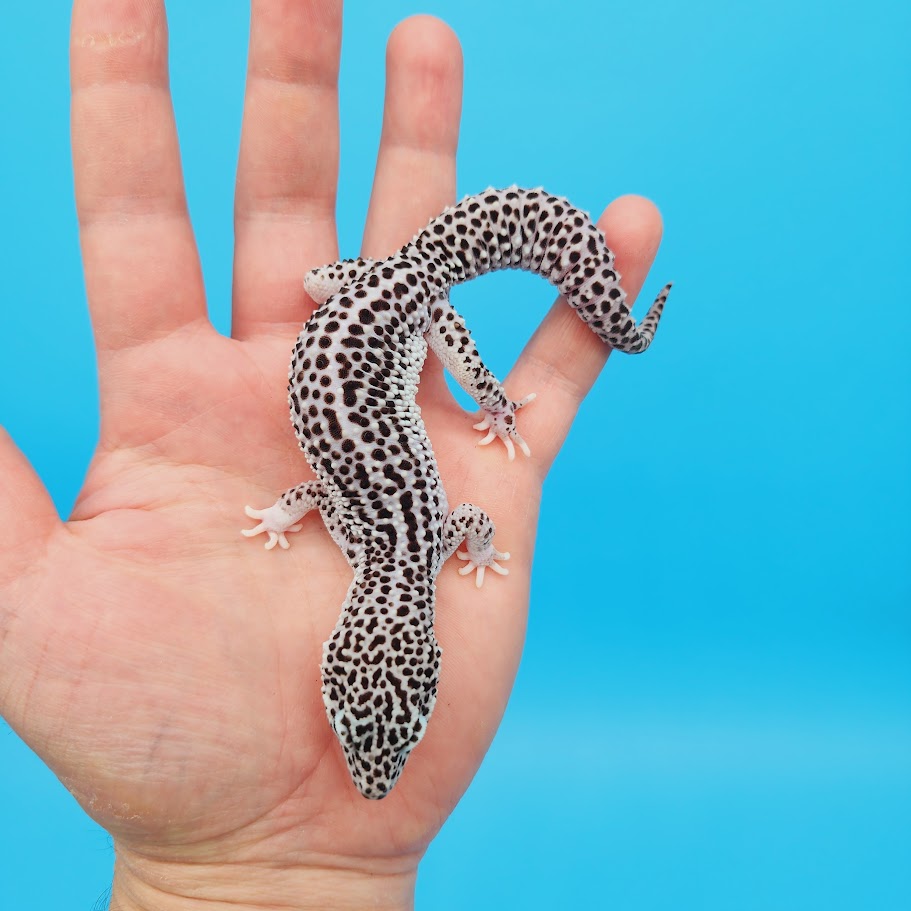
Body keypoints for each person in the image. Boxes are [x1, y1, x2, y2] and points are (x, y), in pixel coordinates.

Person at [0, 2, 663, 908]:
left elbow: (370, 497)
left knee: (410, 303)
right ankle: (592, 321)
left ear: (343, 653)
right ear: (397, 654)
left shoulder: (423, 543)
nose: (369, 760)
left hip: (366, 301)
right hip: (370, 307)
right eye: (380, 731)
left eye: (361, 727)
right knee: (430, 324)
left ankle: (595, 313)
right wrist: (473, 421)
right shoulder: (388, 542)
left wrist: (458, 519)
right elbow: (327, 490)